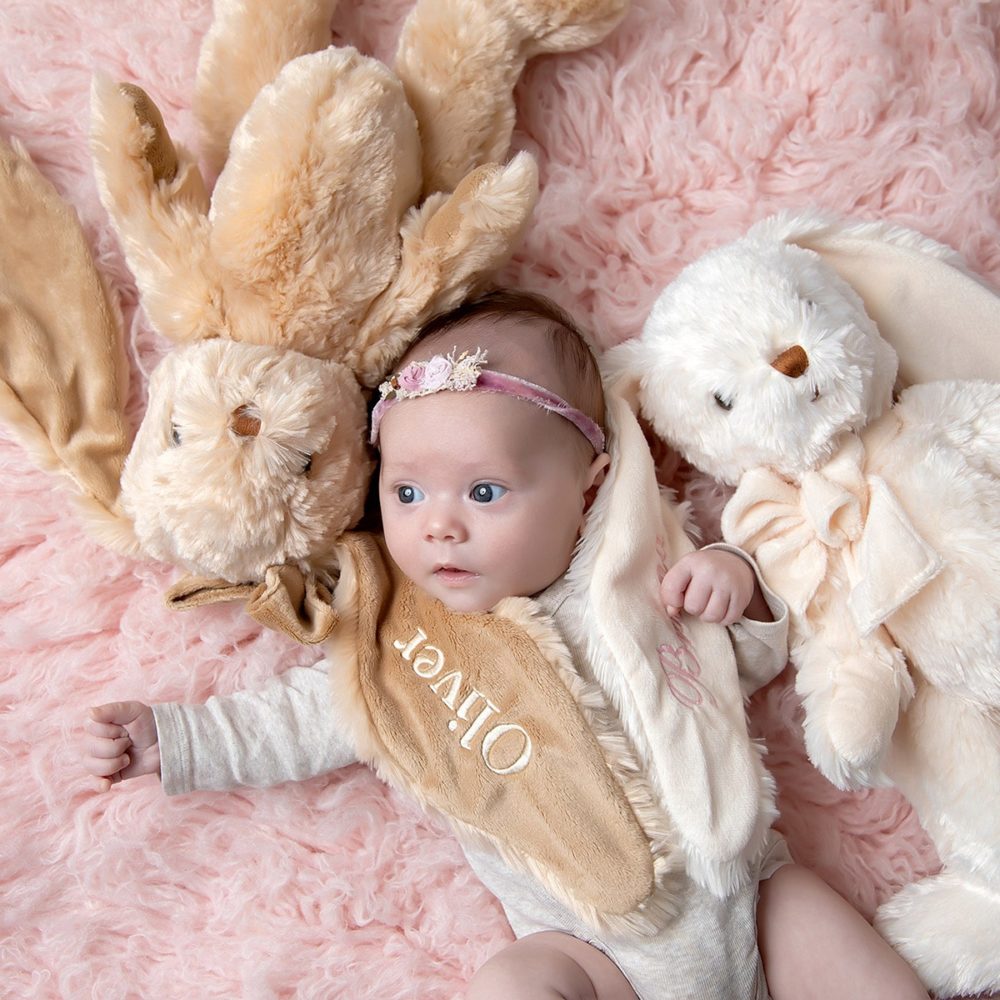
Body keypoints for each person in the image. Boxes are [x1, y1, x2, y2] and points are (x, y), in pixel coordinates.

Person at [81, 291, 929, 1000]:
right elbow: (301, 715)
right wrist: (177, 739)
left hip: (748, 904)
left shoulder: (636, 576)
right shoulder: (409, 645)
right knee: (514, 984)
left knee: (816, 923)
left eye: (484, 492)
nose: (439, 526)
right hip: (591, 951)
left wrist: (737, 584)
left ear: (588, 490)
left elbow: (746, 661)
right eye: (407, 492)